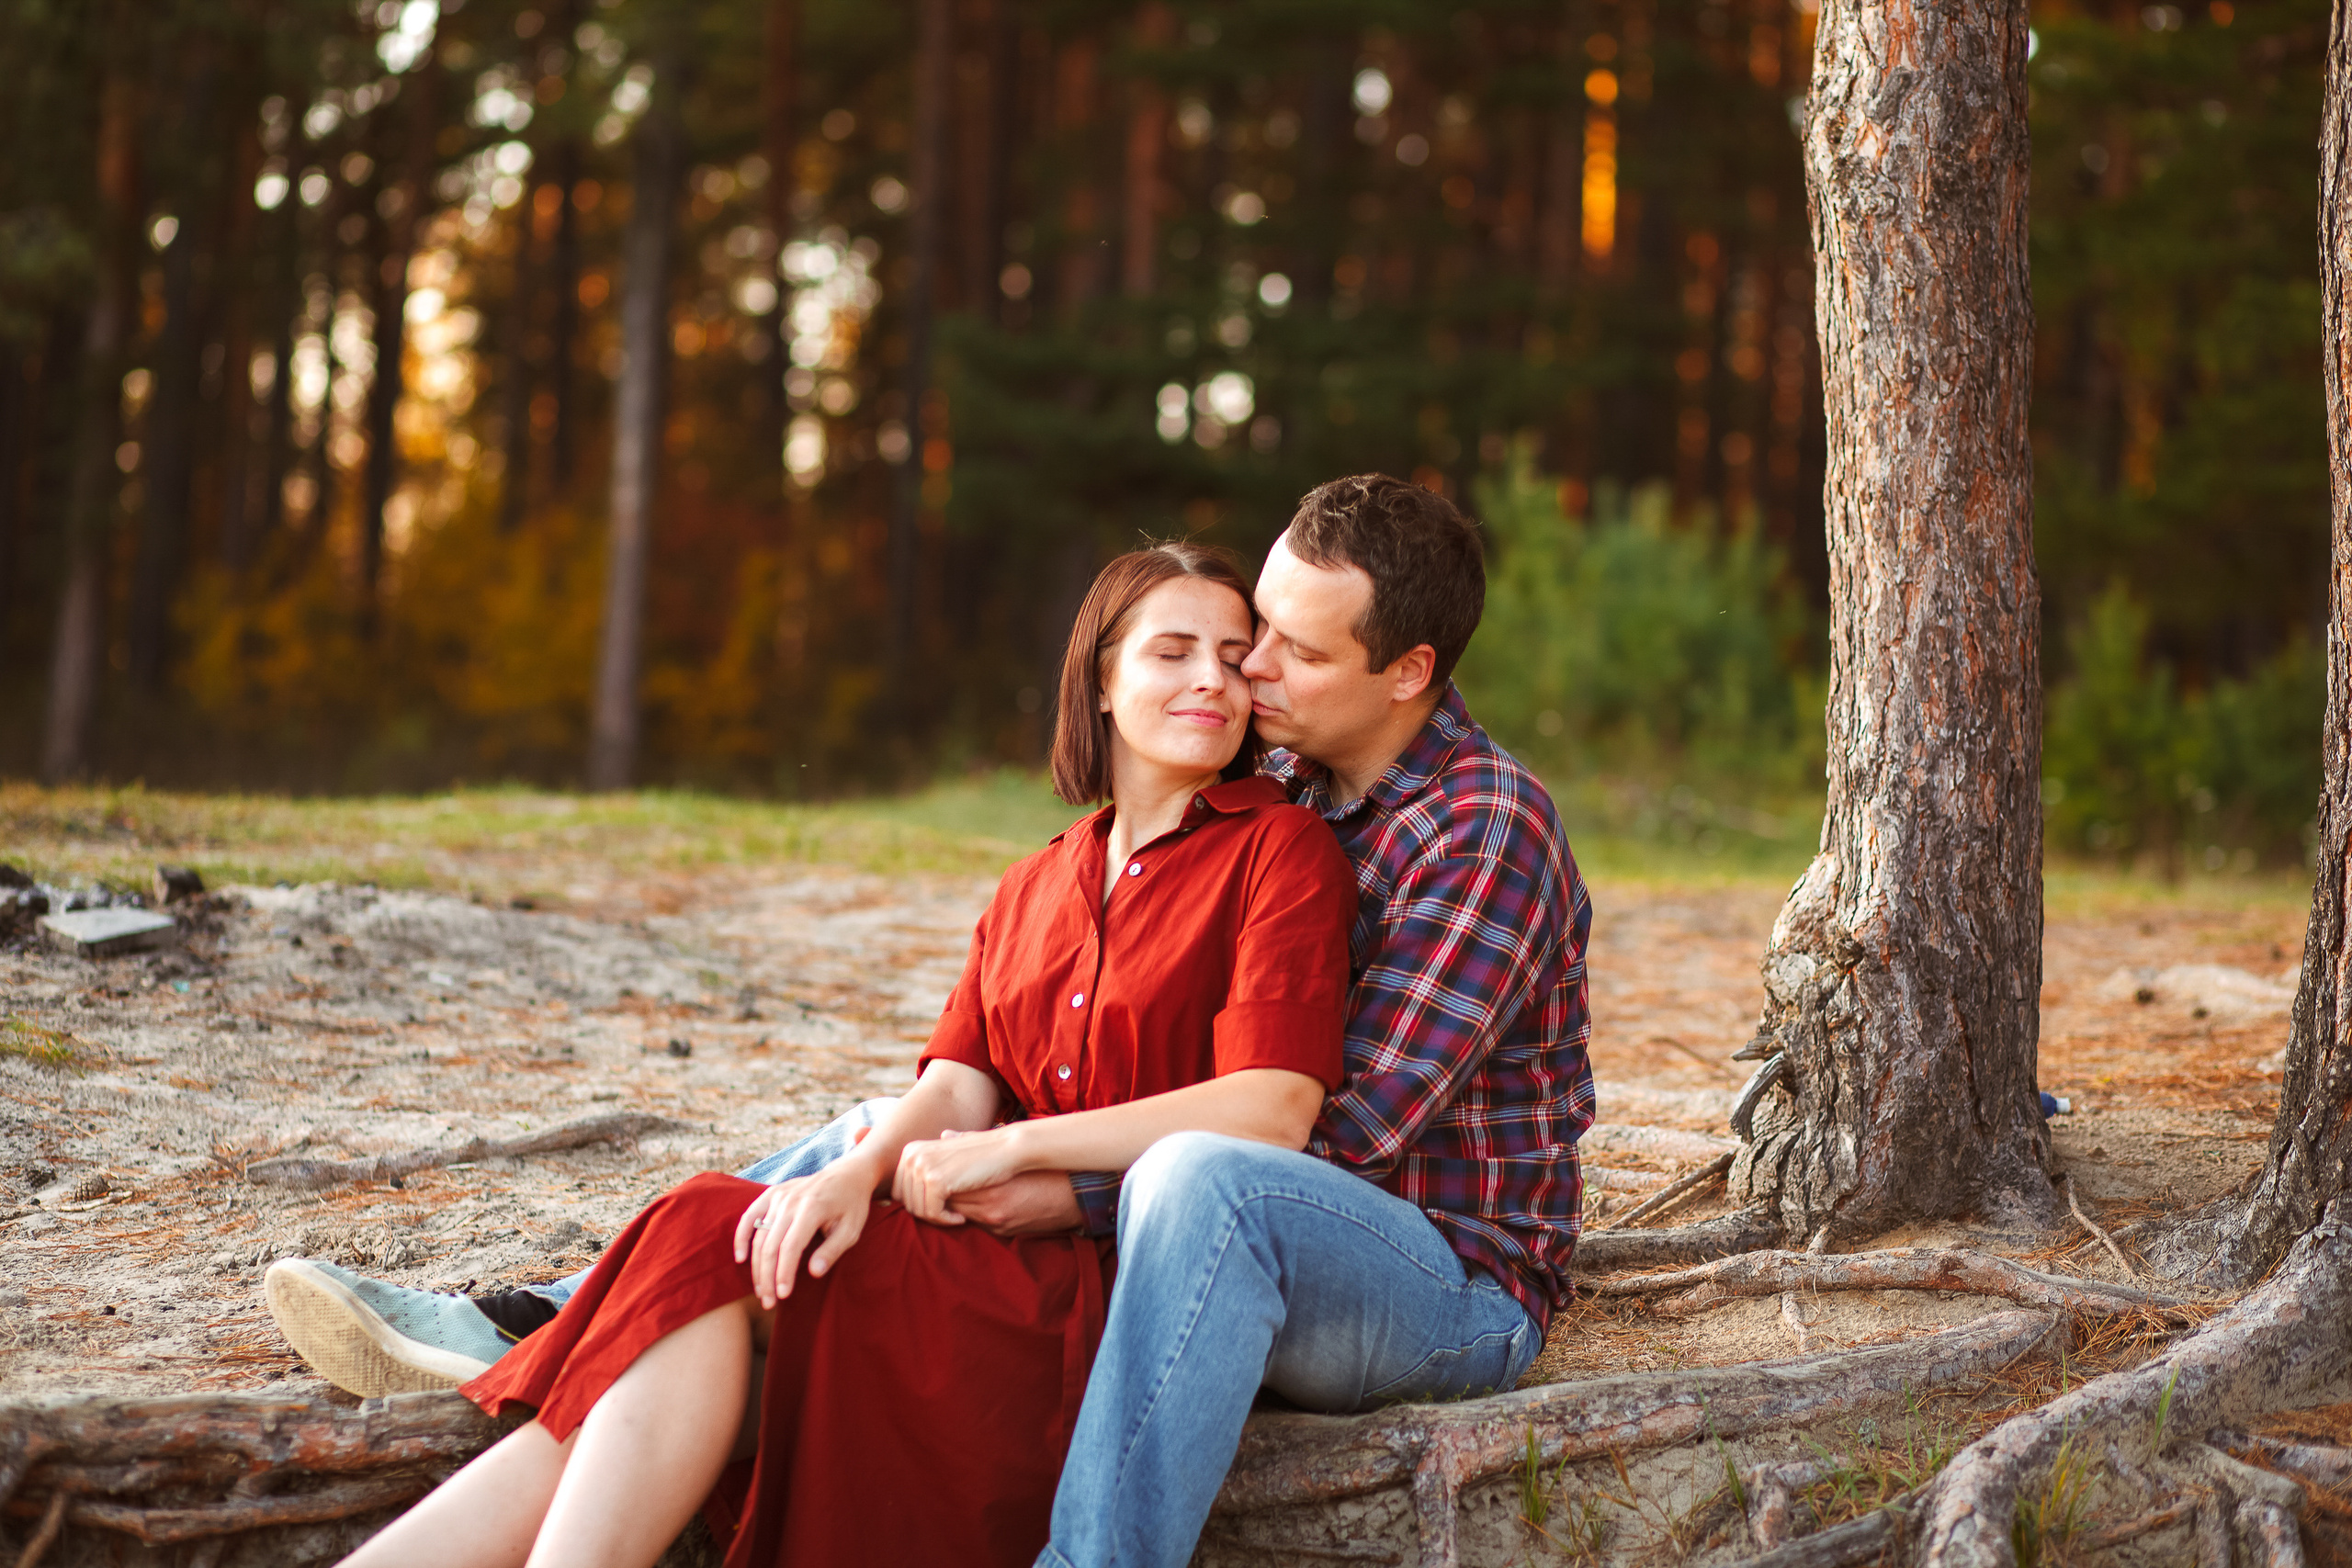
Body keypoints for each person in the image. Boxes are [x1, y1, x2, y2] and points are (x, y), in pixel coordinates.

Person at [279, 472, 1595, 1568]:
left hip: (1436, 1276)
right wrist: (903, 1162)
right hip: (1194, 1215)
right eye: (1246, 632)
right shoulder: (1266, 782)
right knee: (820, 1172)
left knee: (1187, 1179)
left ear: (1408, 672)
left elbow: (1331, 1135)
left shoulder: (1476, 830)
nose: (1247, 670)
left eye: (1292, 651)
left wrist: (1040, 1175)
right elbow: (979, 1072)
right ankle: (549, 1315)